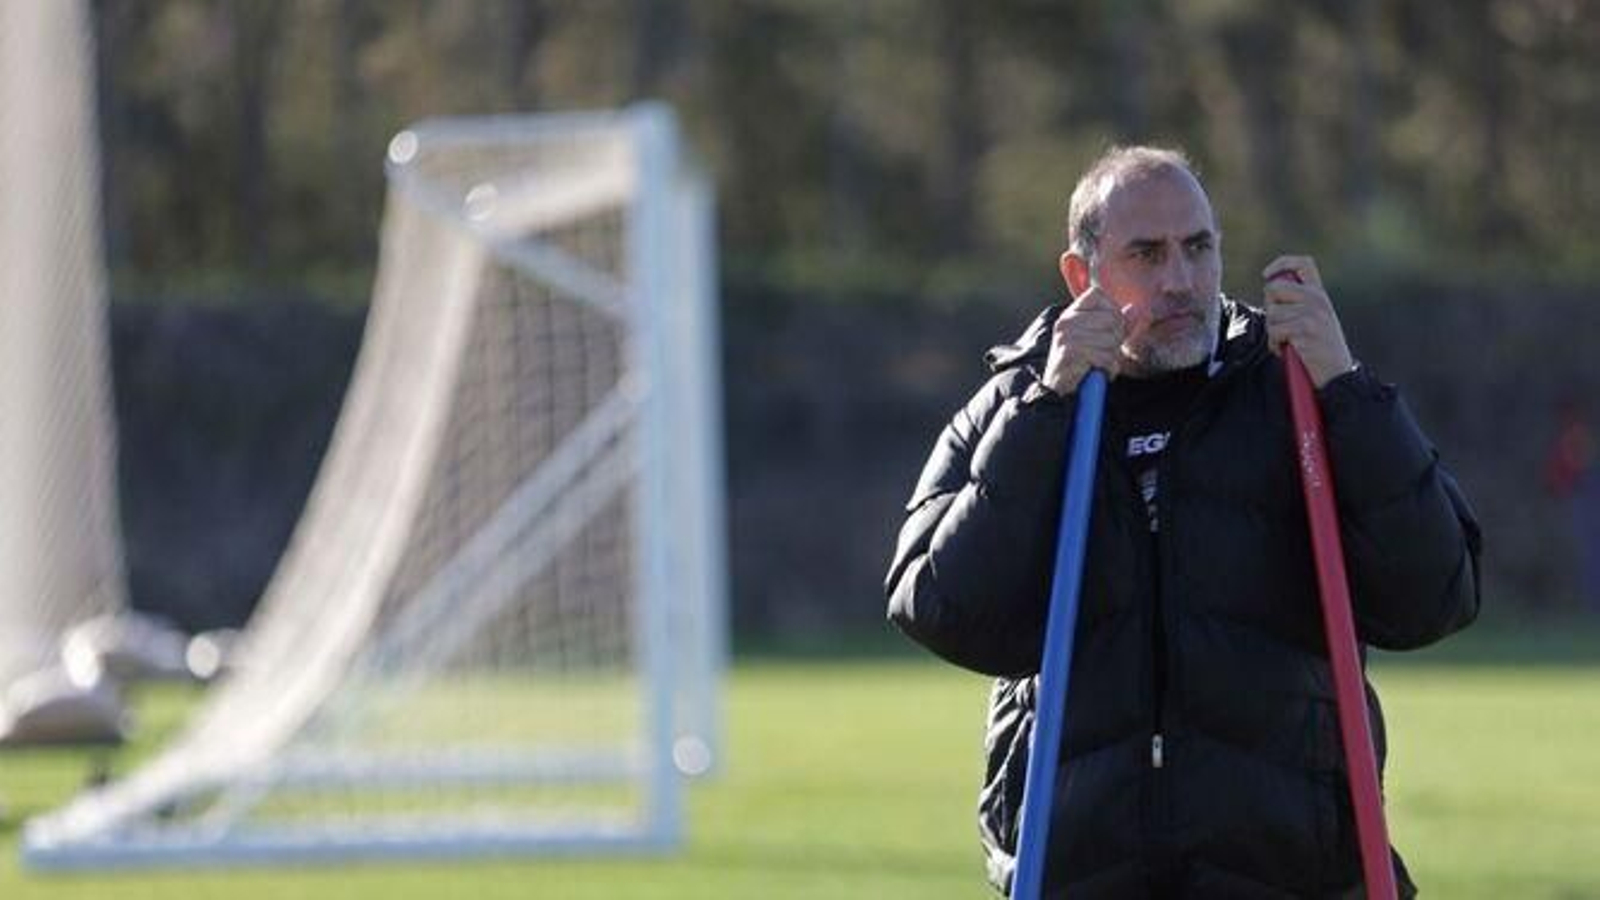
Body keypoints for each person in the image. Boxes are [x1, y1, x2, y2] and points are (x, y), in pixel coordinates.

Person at [885, 146, 1481, 898]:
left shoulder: (1295, 385)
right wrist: (1047, 407)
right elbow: (943, 609)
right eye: (1147, 254)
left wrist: (1350, 391)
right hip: (1080, 869)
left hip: (1291, 870)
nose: (1181, 281)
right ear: (1082, 276)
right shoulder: (1021, 403)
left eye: (1198, 249)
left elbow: (1436, 594)